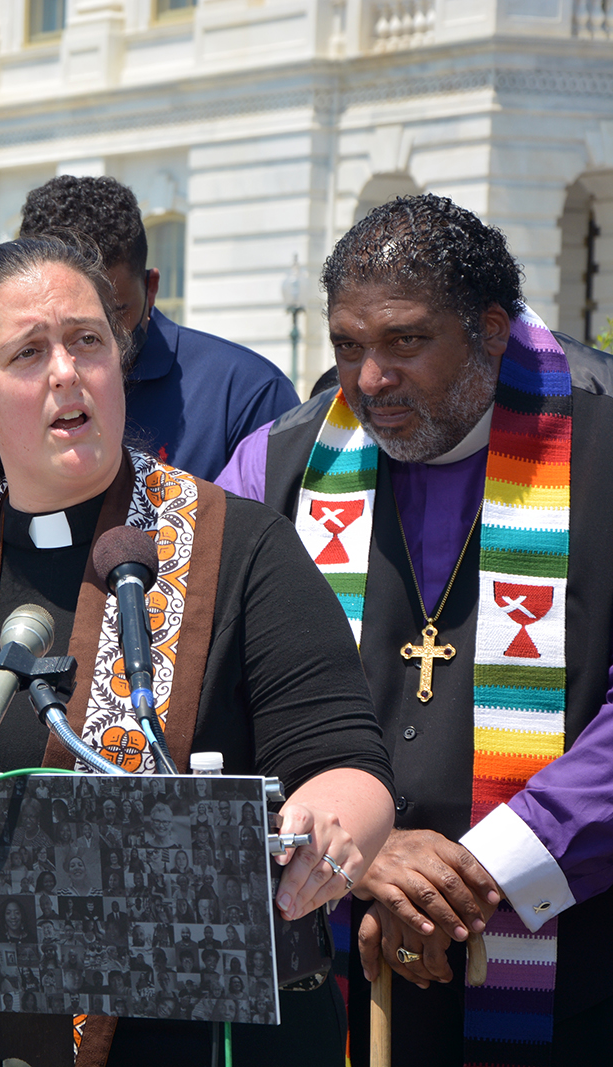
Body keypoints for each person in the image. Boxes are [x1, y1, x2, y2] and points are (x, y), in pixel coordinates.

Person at [0, 236, 394, 1065]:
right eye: (28, 353)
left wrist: (327, 825)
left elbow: (346, 765)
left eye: (87, 341)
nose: (66, 372)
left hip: (180, 1035)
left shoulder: (239, 548)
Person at [215, 193, 613, 1063]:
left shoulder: (602, 450)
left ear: (492, 330)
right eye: (348, 347)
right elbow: (211, 684)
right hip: (323, 942)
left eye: (405, 342)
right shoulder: (276, 465)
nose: (369, 381)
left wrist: (480, 873)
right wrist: (364, 845)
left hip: (565, 947)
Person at [0, 175, 299, 522]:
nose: (67, 370)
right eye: (28, 351)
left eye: (91, 331)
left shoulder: (246, 391)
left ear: (152, 288)